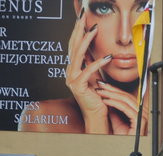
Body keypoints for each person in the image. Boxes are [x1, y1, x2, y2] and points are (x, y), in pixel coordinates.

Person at [19, 0, 148, 135]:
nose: (125, 37)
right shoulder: (44, 120)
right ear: (80, 10)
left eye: (143, 8)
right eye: (104, 8)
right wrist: (95, 120)